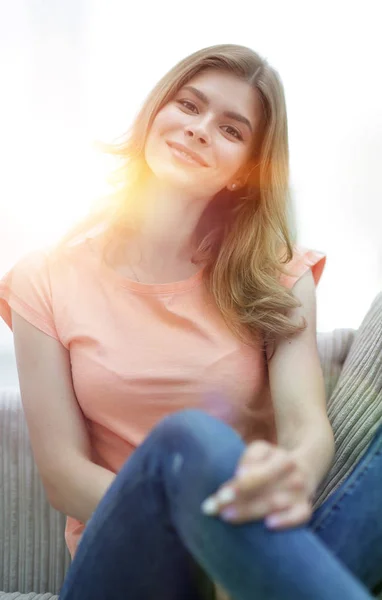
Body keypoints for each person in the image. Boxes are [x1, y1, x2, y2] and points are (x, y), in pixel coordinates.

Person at [0, 44, 381, 600]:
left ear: (244, 173)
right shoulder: (45, 280)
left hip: (250, 559)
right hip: (132, 567)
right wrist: (207, 530)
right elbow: (63, 475)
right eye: (188, 105)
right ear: (156, 114)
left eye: (232, 130)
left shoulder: (278, 273)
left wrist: (295, 476)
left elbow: (305, 427)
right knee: (189, 440)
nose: (201, 129)